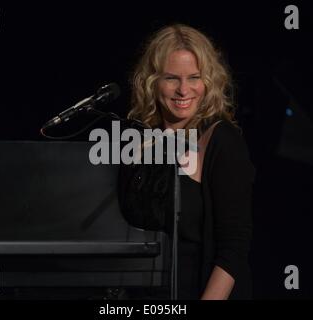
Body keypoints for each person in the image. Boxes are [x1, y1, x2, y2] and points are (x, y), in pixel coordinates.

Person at [118, 24, 255, 300]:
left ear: (209, 81)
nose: (183, 90)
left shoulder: (222, 141)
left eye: (194, 77)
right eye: (172, 78)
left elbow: (233, 248)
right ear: (152, 81)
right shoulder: (140, 138)